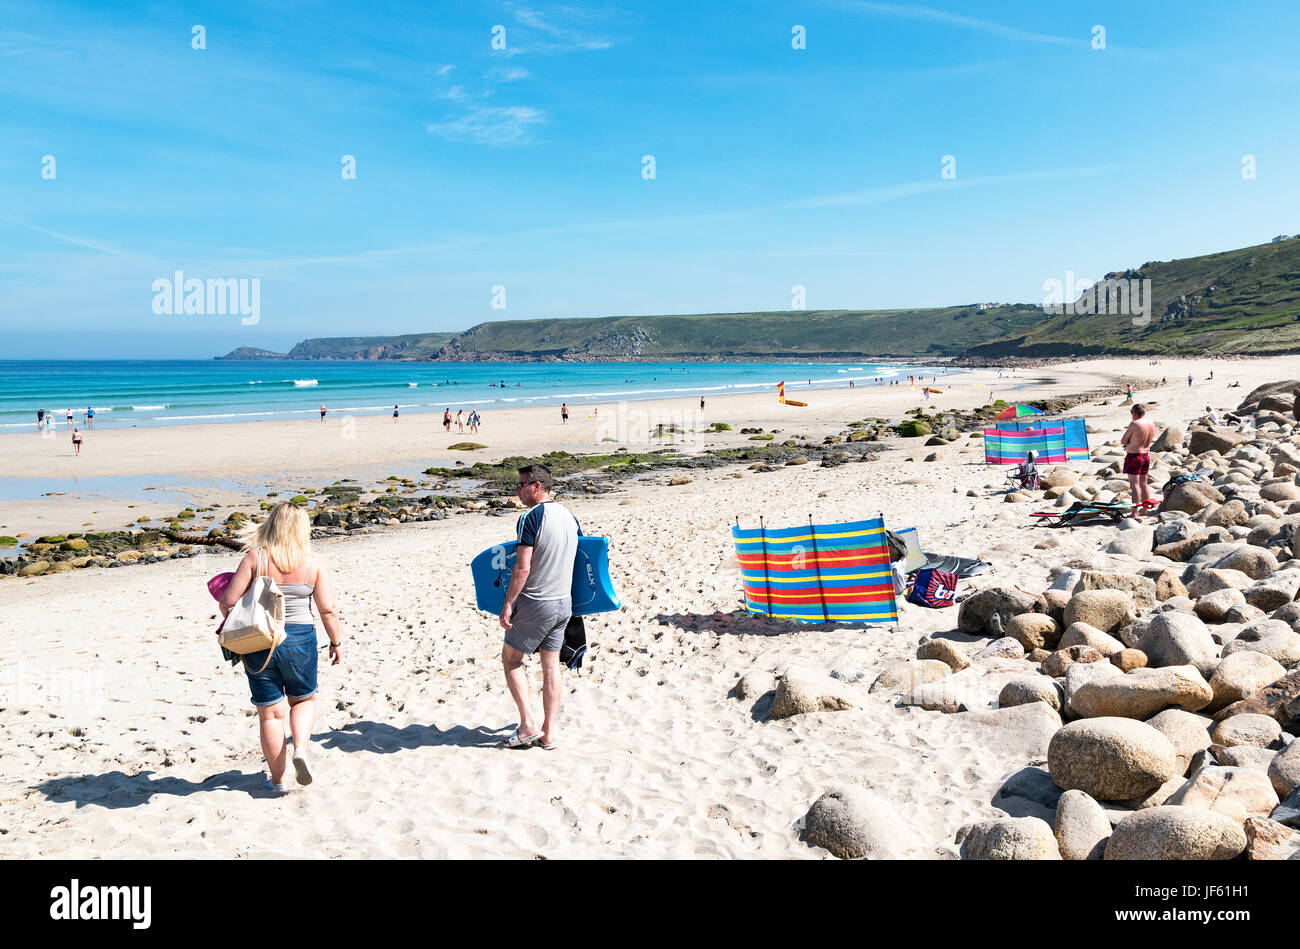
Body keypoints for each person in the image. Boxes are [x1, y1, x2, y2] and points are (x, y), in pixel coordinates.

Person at [218, 502, 342, 793]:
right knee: (303, 701)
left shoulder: (256, 557)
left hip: (260, 640)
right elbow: (328, 610)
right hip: (300, 639)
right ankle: (300, 749)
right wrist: (335, 642)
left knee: (270, 714)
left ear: (272, 524)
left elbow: (227, 603)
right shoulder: (313, 562)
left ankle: (277, 781)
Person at [498, 464, 578, 751]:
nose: (516, 491)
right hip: (563, 603)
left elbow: (522, 567)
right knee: (550, 666)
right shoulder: (569, 515)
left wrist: (508, 604)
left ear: (536, 486)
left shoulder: (529, 518)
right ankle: (549, 733)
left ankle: (529, 725)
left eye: (520, 485)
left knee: (511, 660)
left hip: (537, 601)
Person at [1121, 403, 1157, 518]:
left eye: (1131, 413)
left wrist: (1129, 442)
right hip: (1145, 455)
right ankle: (1145, 510)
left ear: (1135, 413)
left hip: (1134, 456)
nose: (1131, 415)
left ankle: (1134, 512)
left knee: (1135, 485)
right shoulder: (1151, 424)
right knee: (1144, 484)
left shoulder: (1134, 424)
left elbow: (1123, 440)